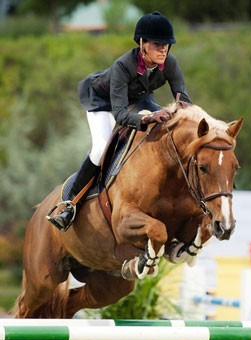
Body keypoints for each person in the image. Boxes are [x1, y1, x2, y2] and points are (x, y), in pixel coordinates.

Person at [48, 11, 192, 231]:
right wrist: (151, 116)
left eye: (166, 44)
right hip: (103, 103)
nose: (163, 49)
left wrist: (187, 115)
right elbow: (121, 115)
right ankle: (70, 204)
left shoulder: (169, 63)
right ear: (143, 44)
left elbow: (183, 99)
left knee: (165, 126)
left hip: (138, 98)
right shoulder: (123, 66)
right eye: (157, 44)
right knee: (101, 147)